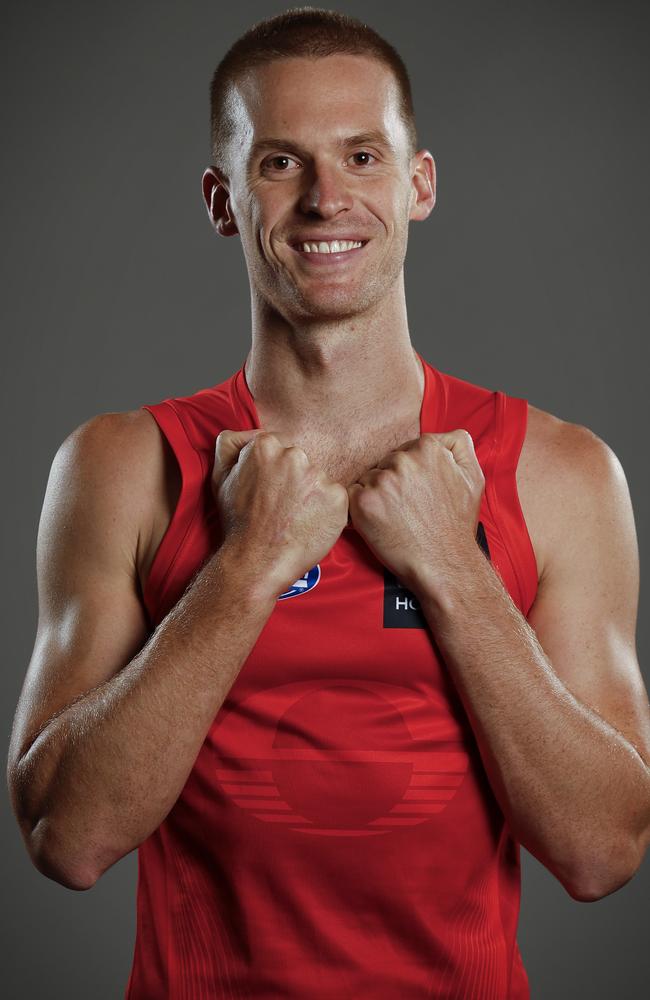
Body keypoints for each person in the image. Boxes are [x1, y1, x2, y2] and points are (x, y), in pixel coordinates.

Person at [7, 7, 650, 998]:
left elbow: (602, 851)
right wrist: (247, 566)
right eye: (278, 164)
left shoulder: (558, 472)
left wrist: (451, 565)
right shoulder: (124, 464)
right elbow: (67, 838)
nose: (324, 199)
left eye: (360, 156)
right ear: (222, 201)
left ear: (417, 183)